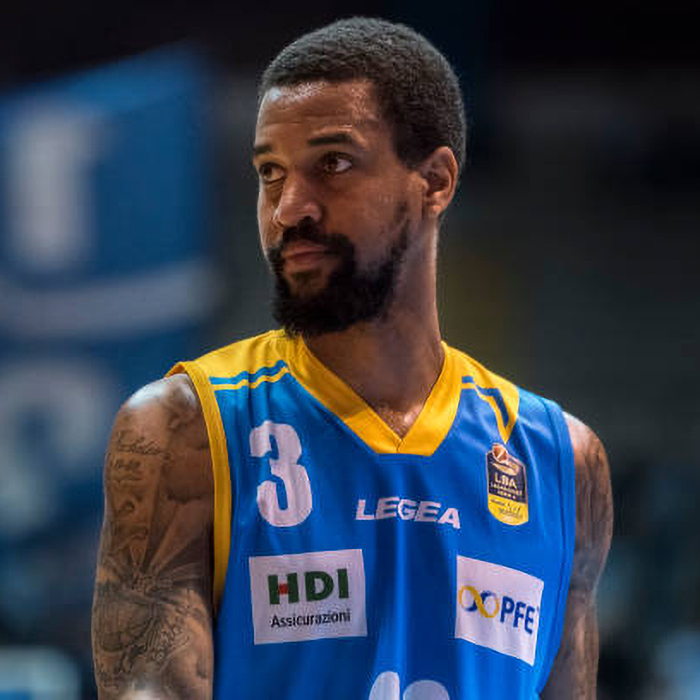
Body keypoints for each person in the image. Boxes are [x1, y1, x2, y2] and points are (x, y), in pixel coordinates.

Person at [91, 17, 613, 700]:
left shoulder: (563, 462)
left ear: (435, 181)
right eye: (270, 172)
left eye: (332, 164)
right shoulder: (186, 429)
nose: (288, 208)